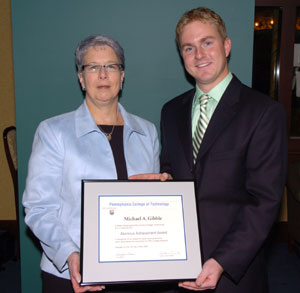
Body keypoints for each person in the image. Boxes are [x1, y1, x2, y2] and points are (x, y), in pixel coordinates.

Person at [133, 6, 288, 293]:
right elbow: (171, 170)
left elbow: (264, 201)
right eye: (188, 48)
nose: (199, 55)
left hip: (233, 273)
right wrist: (161, 183)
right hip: (176, 266)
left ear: (226, 46)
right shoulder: (171, 111)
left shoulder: (263, 112)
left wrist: (221, 261)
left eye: (207, 42)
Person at [22, 34, 161, 293]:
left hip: (135, 271)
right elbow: (39, 208)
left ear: (122, 76)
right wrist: (68, 254)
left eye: (111, 66)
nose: (103, 75)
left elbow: (150, 201)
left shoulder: (148, 132)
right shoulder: (54, 132)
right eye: (93, 67)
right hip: (72, 273)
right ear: (81, 78)